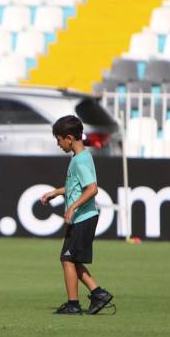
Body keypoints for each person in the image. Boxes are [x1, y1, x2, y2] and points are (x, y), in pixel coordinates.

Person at [40, 115, 114, 315]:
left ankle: (73, 304)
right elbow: (75, 187)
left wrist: (72, 208)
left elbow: (92, 189)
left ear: (69, 138)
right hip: (84, 217)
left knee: (67, 259)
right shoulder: (81, 157)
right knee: (73, 260)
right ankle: (99, 294)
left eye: (59, 139)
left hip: (83, 217)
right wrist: (55, 192)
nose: (58, 144)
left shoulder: (80, 161)